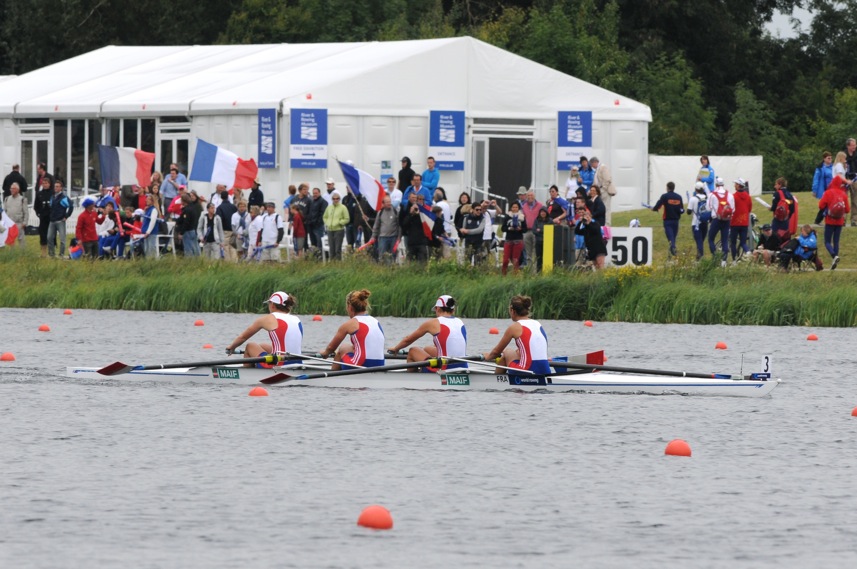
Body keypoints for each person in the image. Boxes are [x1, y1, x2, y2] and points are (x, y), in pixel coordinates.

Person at [388, 295, 467, 372]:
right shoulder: (460, 322)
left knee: (412, 351)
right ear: (453, 310)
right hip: (463, 366)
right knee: (427, 349)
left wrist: (396, 348)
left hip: (444, 368)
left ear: (438, 309)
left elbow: (408, 340)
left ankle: (414, 380)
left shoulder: (433, 322)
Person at [226, 291, 303, 367]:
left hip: (278, 364)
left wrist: (231, 347)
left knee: (250, 346)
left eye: (269, 303)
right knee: (263, 346)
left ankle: (247, 376)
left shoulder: (268, 318)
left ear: (272, 304)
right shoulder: (296, 319)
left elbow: (243, 337)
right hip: (297, 361)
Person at [320, 289, 385, 371]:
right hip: (380, 365)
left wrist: (325, 353)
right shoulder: (376, 321)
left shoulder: (350, 323)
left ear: (350, 308)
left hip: (361, 364)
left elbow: (330, 348)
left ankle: (333, 380)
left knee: (343, 348)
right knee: (352, 348)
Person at [485, 295, 550, 375]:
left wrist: (487, 357)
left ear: (513, 311)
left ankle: (496, 382)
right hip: (546, 370)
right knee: (517, 352)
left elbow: (496, 352)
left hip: (527, 370)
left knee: (507, 351)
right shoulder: (537, 324)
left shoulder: (514, 327)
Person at [818, 176, 850, 270]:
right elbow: (847, 210)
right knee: (836, 241)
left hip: (829, 220)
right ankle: (835, 260)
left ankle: (834, 256)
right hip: (840, 221)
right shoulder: (843, 194)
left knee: (827, 241)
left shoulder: (828, 193)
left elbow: (821, 206)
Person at [707, 177, 734, 266]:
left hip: (716, 219)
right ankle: (724, 261)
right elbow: (733, 209)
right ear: (723, 184)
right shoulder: (729, 194)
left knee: (711, 238)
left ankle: (715, 257)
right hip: (727, 220)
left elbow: (708, 208)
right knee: (724, 240)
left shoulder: (712, 194)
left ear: (716, 184)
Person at [652, 181, 683, 256]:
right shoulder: (679, 197)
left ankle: (673, 249)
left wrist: (654, 209)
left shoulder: (665, 196)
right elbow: (681, 210)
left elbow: (658, 205)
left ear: (667, 188)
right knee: (673, 238)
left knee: (670, 238)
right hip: (676, 221)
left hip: (667, 221)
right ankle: (671, 256)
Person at [400, 193, 430, 263]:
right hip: (411, 241)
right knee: (411, 262)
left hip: (422, 241)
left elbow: (426, 223)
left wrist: (420, 213)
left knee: (422, 262)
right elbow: (404, 224)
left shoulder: (423, 212)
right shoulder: (408, 211)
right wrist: (411, 213)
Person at [47, 180, 73, 258]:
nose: (56, 188)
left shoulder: (64, 197)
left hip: (60, 220)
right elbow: (51, 207)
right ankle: (51, 254)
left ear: (61, 188)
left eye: (57, 186)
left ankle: (61, 254)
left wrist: (67, 216)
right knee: (49, 237)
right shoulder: (53, 197)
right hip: (52, 220)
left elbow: (71, 206)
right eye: (55, 186)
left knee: (62, 239)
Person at [729, 178, 753, 262]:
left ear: (739, 185)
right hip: (744, 222)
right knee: (743, 242)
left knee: (733, 243)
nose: (734, 185)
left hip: (735, 222)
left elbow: (731, 208)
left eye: (735, 184)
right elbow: (749, 209)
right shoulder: (748, 196)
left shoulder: (733, 196)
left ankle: (734, 260)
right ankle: (748, 251)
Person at [500, 202, 527, 275]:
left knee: (515, 259)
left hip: (518, 240)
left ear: (518, 208)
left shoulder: (522, 217)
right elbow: (503, 228)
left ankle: (515, 276)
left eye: (516, 207)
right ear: (511, 208)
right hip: (509, 239)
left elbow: (525, 229)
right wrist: (509, 228)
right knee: (505, 260)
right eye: (513, 207)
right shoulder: (507, 216)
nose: (514, 209)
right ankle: (503, 275)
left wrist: (520, 229)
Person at [372, 195, 400, 263]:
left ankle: (392, 270)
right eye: (387, 202)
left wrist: (399, 237)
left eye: (390, 202)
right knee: (382, 256)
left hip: (393, 237)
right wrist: (373, 237)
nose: (389, 203)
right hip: (382, 238)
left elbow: (399, 226)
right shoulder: (380, 213)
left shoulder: (396, 211)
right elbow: (376, 225)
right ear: (383, 203)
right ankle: (383, 270)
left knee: (393, 256)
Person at [521, 189, 543, 271]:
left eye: (531, 195)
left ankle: (535, 271)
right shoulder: (524, 206)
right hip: (527, 231)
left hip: (535, 231)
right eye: (528, 195)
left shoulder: (540, 205)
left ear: (534, 196)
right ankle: (529, 271)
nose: (530, 197)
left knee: (535, 252)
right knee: (527, 252)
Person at [589, 156, 616, 225]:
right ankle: (602, 223)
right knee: (601, 208)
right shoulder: (597, 169)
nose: (592, 166)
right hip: (599, 191)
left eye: (592, 164)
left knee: (606, 208)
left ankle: (607, 224)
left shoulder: (603, 167)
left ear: (595, 162)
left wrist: (603, 189)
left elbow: (607, 179)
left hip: (605, 191)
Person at [687, 182, 710, 260]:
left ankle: (700, 258)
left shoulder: (693, 199)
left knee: (699, 241)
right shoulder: (707, 198)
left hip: (696, 223)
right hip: (705, 222)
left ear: (696, 189)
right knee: (701, 241)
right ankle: (698, 257)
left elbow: (688, 212)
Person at [323, 190, 349, 260]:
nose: (335, 200)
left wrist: (339, 222)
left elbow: (347, 219)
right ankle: (332, 264)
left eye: (337, 198)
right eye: (334, 199)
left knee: (337, 249)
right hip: (330, 230)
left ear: (339, 199)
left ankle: (338, 264)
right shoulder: (329, 207)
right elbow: (324, 217)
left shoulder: (343, 207)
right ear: (332, 199)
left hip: (339, 230)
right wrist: (327, 222)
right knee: (331, 249)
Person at [460, 201, 486, 265]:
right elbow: (464, 229)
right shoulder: (466, 218)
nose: (479, 211)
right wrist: (462, 231)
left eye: (480, 209)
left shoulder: (483, 219)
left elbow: (479, 230)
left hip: (478, 243)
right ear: (472, 210)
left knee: (478, 262)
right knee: (467, 261)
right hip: (468, 242)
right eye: (477, 209)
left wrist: (467, 231)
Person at [177, 191, 202, 257]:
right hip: (193, 230)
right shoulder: (193, 208)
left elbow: (186, 222)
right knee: (195, 248)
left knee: (188, 249)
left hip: (187, 231)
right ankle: (198, 261)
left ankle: (189, 262)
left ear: (184, 201)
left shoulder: (187, 210)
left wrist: (181, 232)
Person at [3, 182, 28, 247]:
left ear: (17, 190)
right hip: (10, 224)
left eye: (13, 188)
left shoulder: (22, 199)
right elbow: (5, 211)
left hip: (19, 223)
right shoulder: (7, 199)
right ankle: (12, 255)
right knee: (11, 241)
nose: (11, 190)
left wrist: (25, 222)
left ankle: (23, 254)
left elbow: (26, 212)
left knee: (21, 240)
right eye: (11, 188)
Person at [34, 176, 54, 257]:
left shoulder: (53, 193)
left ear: (49, 184)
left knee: (51, 235)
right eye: (43, 183)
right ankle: (43, 253)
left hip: (51, 217)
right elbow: (36, 206)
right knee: (43, 235)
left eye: (46, 183)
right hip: (43, 217)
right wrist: (38, 213)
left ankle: (51, 252)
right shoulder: (39, 194)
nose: (45, 185)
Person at [216, 190, 238, 261]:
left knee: (225, 247)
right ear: (228, 197)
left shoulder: (219, 208)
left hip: (225, 230)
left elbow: (219, 220)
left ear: (221, 197)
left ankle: (228, 262)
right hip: (233, 230)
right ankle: (234, 261)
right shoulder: (233, 207)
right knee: (233, 246)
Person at [141, 193, 160, 258]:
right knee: (146, 249)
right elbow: (142, 220)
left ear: (152, 201)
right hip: (146, 232)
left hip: (151, 233)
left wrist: (148, 232)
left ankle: (153, 260)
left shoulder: (154, 210)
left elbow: (153, 221)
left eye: (148, 199)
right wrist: (144, 211)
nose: (146, 200)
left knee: (151, 248)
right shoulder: (147, 210)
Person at [532, 207, 550, 272]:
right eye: (541, 212)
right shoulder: (536, 220)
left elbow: (550, 229)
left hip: (548, 242)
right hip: (538, 241)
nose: (542, 213)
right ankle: (539, 272)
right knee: (539, 258)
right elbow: (534, 230)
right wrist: (540, 231)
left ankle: (547, 271)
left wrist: (540, 230)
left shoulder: (550, 220)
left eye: (544, 212)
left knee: (547, 258)